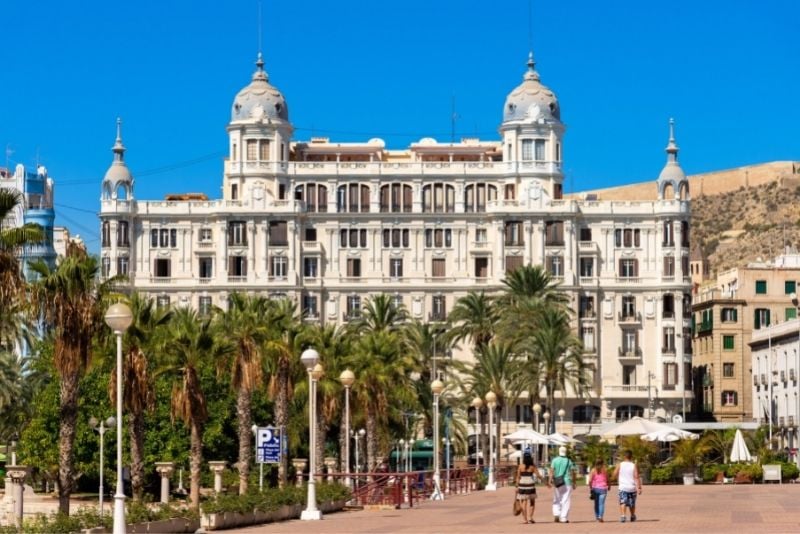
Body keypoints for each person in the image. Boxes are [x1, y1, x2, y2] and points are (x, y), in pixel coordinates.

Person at [548, 446, 576, 523]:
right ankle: (563, 518)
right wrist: (574, 482)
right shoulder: (569, 461)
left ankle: (556, 514)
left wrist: (549, 481)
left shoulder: (555, 460)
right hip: (567, 482)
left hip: (557, 482)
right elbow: (573, 472)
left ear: (559, 451)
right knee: (565, 500)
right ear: (565, 452)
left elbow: (551, 471)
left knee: (556, 499)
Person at [613, 450, 642, 523]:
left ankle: (623, 516)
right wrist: (639, 487)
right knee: (632, 503)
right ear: (631, 456)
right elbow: (636, 477)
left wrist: (617, 477)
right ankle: (632, 516)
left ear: (624, 456)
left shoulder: (620, 464)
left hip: (622, 487)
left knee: (623, 502)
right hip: (632, 487)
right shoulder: (633, 465)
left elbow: (614, 474)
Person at [515, 449, 543, 524]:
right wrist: (543, 479)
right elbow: (538, 476)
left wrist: (516, 486)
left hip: (522, 485)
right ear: (530, 458)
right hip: (530, 485)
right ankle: (530, 518)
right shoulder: (532, 466)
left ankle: (525, 519)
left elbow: (518, 477)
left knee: (523, 502)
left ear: (523, 458)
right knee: (532, 502)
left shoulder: (520, 466)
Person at [587, 457, 610, 522]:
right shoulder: (605, 470)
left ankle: (597, 516)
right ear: (602, 463)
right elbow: (608, 479)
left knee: (596, 504)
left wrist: (590, 488)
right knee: (601, 504)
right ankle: (600, 516)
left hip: (595, 489)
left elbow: (590, 481)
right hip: (603, 489)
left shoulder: (593, 470)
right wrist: (609, 486)